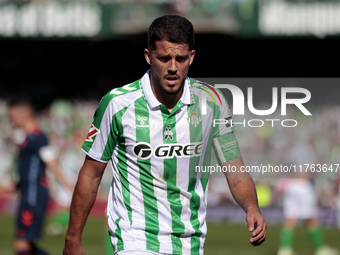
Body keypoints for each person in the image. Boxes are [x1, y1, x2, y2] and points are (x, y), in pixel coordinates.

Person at [63, 15, 266, 255]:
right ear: (149, 56)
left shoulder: (213, 102)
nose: (172, 67)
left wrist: (252, 207)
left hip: (191, 243)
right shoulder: (118, 104)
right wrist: (73, 238)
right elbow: (92, 174)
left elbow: (234, 168)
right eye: (164, 58)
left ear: (191, 56)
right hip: (135, 240)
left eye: (180, 58)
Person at [7, 98, 73, 255]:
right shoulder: (29, 138)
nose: (11, 120)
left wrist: (71, 188)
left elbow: (52, 164)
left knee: (21, 244)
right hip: (28, 193)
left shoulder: (38, 138)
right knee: (24, 244)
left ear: (24, 115)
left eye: (12, 116)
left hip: (33, 196)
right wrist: (16, 185)